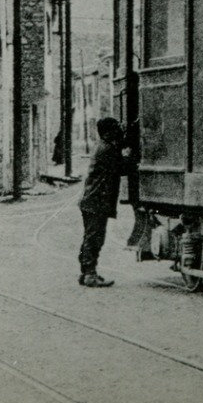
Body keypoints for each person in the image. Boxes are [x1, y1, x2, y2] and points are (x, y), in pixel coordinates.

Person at [78, 117, 135, 287]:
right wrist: (128, 155)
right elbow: (122, 168)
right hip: (96, 202)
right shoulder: (107, 149)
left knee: (91, 237)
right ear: (109, 132)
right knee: (95, 238)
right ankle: (90, 274)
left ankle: (86, 272)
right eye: (116, 129)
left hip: (92, 201)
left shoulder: (103, 146)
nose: (118, 131)